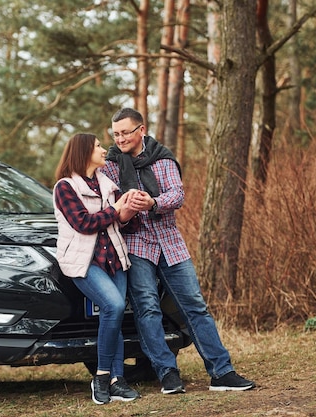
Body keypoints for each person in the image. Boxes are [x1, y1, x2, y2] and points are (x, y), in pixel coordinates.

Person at [103, 108, 256, 394]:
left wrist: (153, 202)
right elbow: (105, 199)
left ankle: (221, 372)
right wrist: (125, 204)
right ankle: (168, 374)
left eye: (125, 132)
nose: (120, 139)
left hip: (170, 242)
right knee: (147, 309)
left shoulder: (162, 157)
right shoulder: (111, 164)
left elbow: (177, 194)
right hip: (135, 243)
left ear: (141, 130)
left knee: (195, 307)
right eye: (115, 134)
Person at [53, 133, 141, 405]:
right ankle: (101, 376)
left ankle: (117, 380)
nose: (105, 149)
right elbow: (83, 223)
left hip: (115, 260)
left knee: (114, 317)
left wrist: (127, 213)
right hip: (84, 262)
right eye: (99, 146)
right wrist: (116, 209)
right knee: (114, 307)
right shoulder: (65, 187)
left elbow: (122, 225)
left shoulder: (108, 184)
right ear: (83, 151)